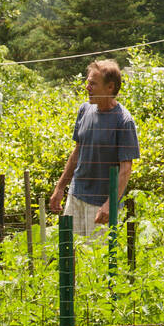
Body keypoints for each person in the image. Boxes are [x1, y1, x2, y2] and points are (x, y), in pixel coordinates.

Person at [48, 59, 139, 239]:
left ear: (110, 87)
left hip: (100, 205)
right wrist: (60, 188)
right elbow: (76, 153)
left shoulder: (123, 121)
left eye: (93, 83)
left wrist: (110, 205)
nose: (87, 87)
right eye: (88, 82)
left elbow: (126, 169)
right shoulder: (85, 109)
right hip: (75, 196)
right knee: (69, 254)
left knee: (97, 260)